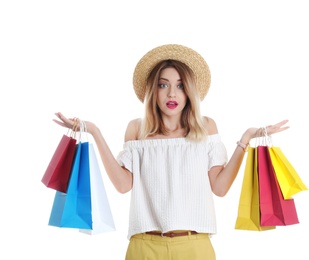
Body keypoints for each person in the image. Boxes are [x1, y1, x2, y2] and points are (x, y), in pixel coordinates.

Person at [53, 44, 289, 260]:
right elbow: (123, 185)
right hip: (144, 246)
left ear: (189, 92)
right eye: (163, 85)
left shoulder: (206, 128)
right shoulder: (137, 129)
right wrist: (94, 132)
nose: (172, 94)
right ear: (153, 92)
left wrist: (245, 139)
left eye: (180, 85)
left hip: (195, 246)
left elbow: (220, 187)